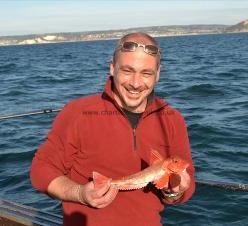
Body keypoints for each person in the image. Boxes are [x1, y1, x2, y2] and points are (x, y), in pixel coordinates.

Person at [30, 32, 195, 226]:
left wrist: (175, 190)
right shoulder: (78, 112)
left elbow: (186, 185)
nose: (135, 83)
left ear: (158, 74)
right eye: (127, 70)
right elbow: (41, 170)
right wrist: (80, 194)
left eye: (146, 73)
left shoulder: (172, 119)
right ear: (112, 68)